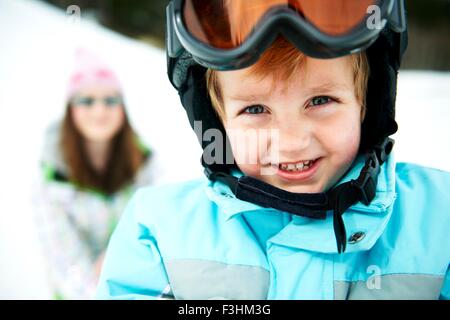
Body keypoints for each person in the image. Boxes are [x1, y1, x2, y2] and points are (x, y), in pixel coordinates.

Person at [97, 0, 450, 299]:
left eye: (320, 100)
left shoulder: (439, 219)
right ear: (217, 120)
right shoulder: (159, 233)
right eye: (254, 109)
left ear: (366, 104)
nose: (292, 141)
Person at [33, 48, 153, 299]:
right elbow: (65, 266)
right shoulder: (52, 179)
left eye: (110, 100)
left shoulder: (146, 162)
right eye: (86, 101)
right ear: (71, 109)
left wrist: (117, 259)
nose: (100, 111)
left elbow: (157, 229)